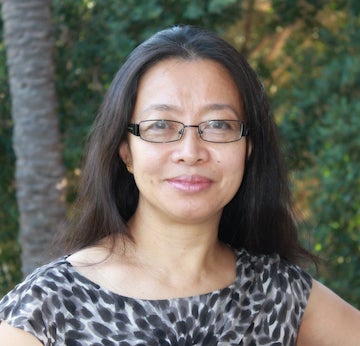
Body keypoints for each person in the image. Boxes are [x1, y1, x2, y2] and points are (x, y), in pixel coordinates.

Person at [0, 25, 359, 346]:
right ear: (125, 150)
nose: (190, 152)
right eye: (161, 125)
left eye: (219, 125)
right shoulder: (47, 309)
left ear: (248, 148)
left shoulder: (278, 295)